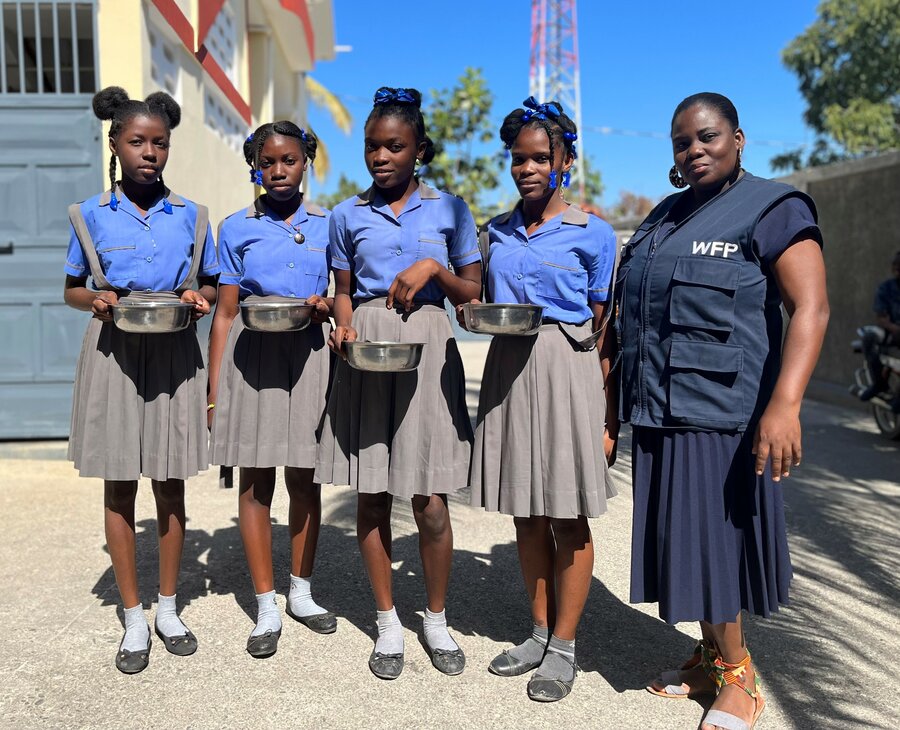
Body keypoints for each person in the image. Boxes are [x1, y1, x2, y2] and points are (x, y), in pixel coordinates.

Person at [617, 93, 829, 730]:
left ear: (738, 138)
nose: (694, 150)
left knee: (712, 547)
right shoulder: (665, 217)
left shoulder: (773, 208)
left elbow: (811, 309)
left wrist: (786, 403)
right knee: (684, 544)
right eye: (682, 142)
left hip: (724, 415)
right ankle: (710, 655)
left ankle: (739, 679)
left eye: (707, 137)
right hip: (660, 410)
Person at [315, 87, 481, 680]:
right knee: (372, 491)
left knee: (431, 499)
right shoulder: (346, 215)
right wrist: (344, 324)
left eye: (394, 146)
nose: (381, 157)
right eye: (372, 146)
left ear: (418, 151)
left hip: (430, 347)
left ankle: (434, 619)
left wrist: (435, 267)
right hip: (367, 353)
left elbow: (474, 294)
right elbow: (341, 288)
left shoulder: (451, 211)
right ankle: (387, 622)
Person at [461, 97, 618, 702]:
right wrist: (469, 311)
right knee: (526, 509)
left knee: (567, 512)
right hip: (508, 368)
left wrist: (607, 416)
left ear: (565, 163)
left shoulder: (593, 232)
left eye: (538, 158)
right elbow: (478, 300)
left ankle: (567, 648)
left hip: (567, 369)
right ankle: (538, 632)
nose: (526, 168)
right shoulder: (495, 230)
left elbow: (605, 328)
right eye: (517, 159)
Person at [64, 86, 220, 674]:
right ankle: (132, 615)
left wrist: (197, 298)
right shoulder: (89, 215)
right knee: (120, 484)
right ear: (116, 144)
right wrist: (96, 299)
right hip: (113, 353)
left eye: (159, 143)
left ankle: (168, 606)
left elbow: (208, 284)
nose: (149, 152)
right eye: (137, 141)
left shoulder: (193, 217)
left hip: (175, 355)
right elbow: (71, 289)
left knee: (171, 482)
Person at [208, 121, 335, 658]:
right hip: (253, 357)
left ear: (306, 161)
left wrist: (328, 306)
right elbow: (225, 312)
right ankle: (265, 603)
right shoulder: (235, 228)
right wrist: (214, 389)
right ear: (254, 166)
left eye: (290, 160)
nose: (279, 171)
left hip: (310, 355)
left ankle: (301, 592)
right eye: (268, 162)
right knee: (256, 478)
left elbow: (344, 293)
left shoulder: (332, 225)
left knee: (305, 478)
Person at [858, 251, 900, 403]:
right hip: (890, 330)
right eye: (895, 265)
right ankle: (879, 384)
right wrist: (894, 328)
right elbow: (881, 317)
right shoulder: (886, 288)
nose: (897, 268)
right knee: (870, 337)